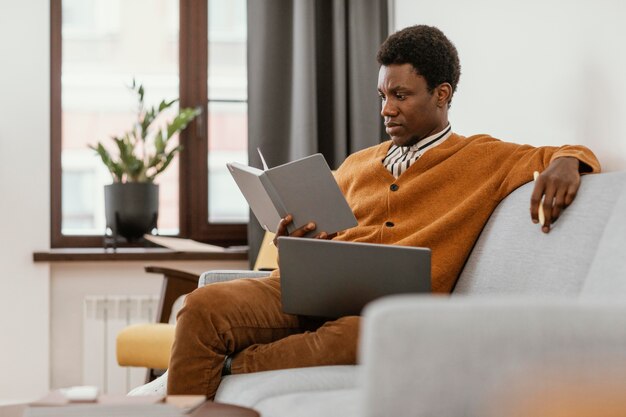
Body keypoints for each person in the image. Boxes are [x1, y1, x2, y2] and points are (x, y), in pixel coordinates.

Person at [167, 25, 600, 398]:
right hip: (312, 293)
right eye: (382, 95)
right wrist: (294, 245)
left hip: (383, 312)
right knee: (200, 307)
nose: (386, 109)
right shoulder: (355, 164)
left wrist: (567, 163)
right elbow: (315, 243)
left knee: (360, 336)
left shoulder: (483, 158)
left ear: (442, 95)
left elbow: (567, 151)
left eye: (400, 95)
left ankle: (225, 367)